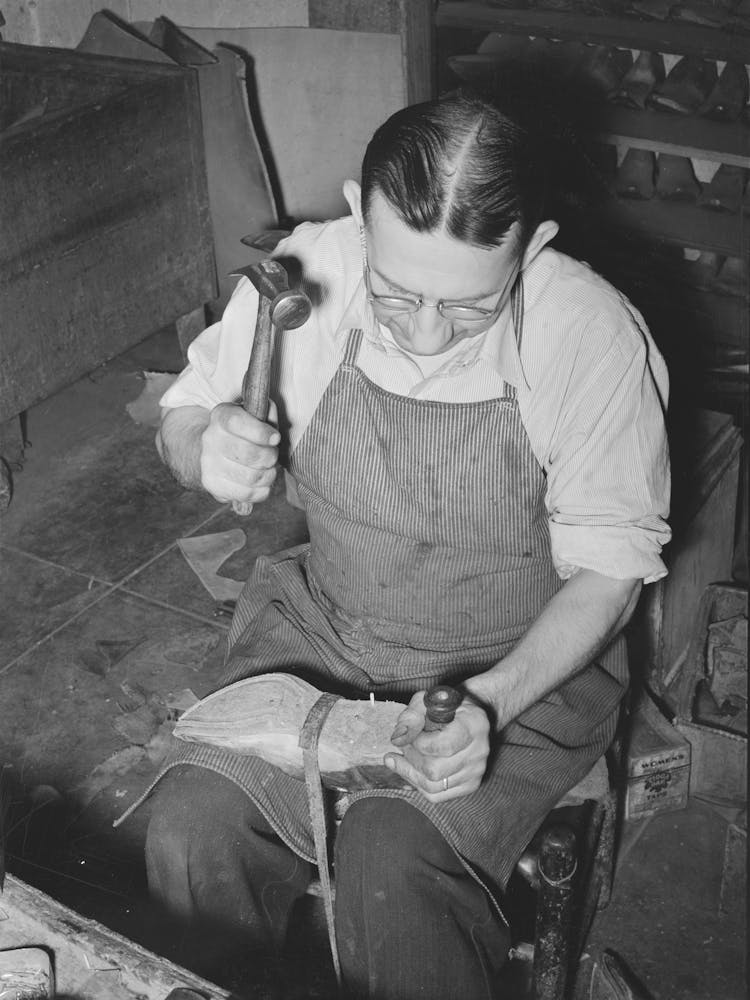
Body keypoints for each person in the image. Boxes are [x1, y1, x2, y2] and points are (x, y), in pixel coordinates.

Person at [135, 90, 671, 999]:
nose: (424, 334)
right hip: (328, 631)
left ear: (530, 248)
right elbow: (178, 419)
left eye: (466, 309)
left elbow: (613, 574)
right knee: (191, 826)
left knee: (393, 866)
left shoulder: (592, 336)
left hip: (515, 665)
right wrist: (203, 442)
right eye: (396, 294)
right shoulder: (308, 269)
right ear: (360, 213)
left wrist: (489, 704)